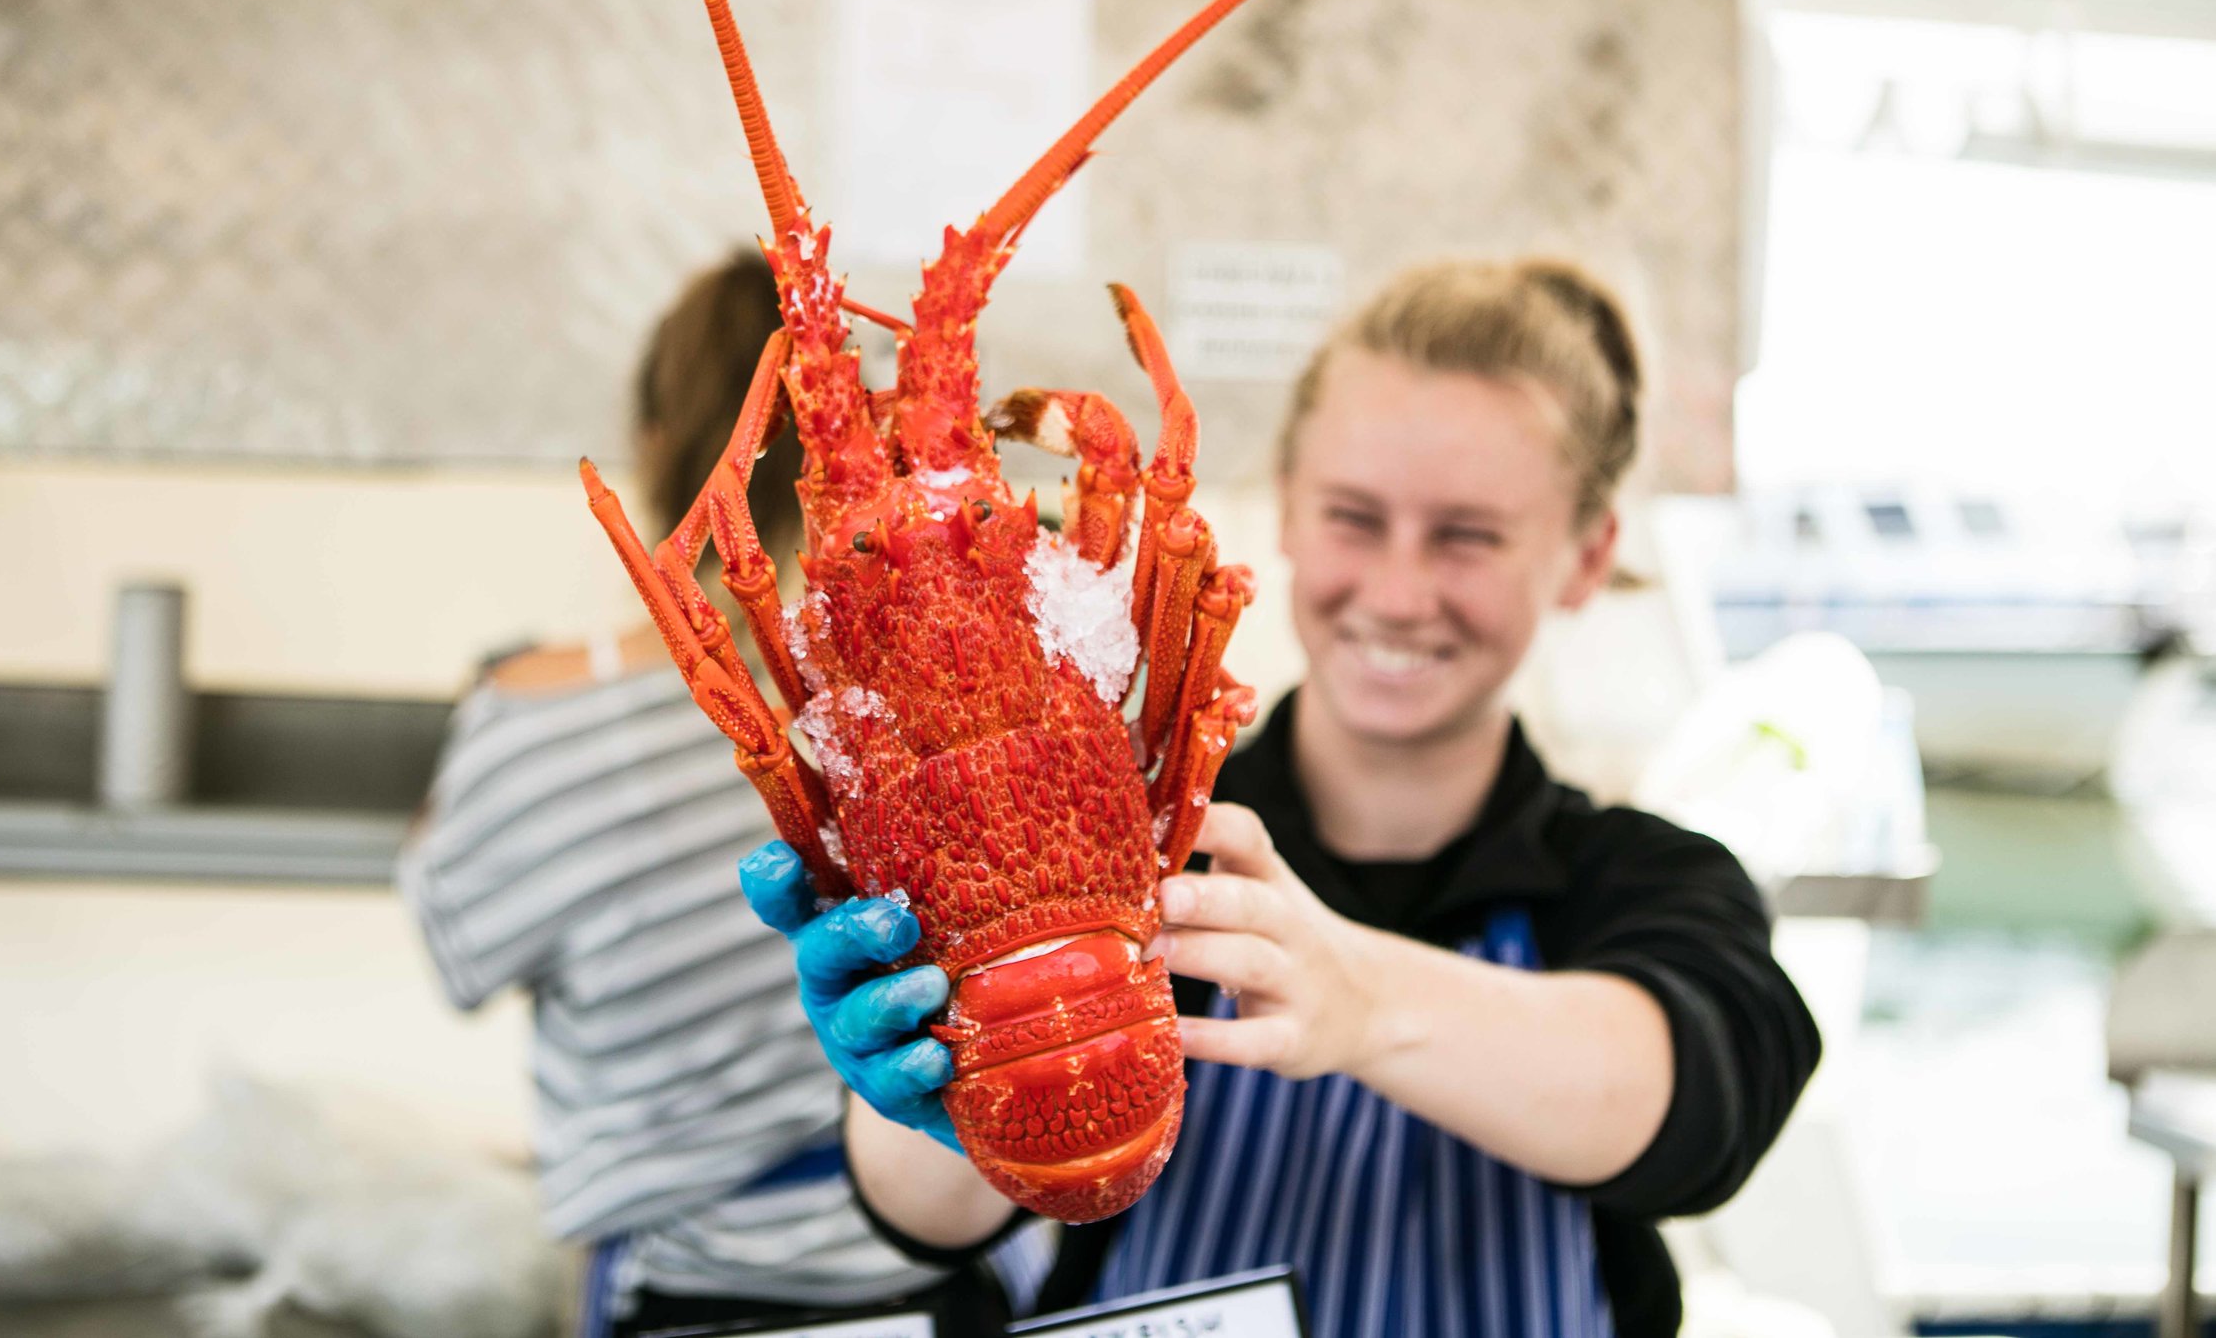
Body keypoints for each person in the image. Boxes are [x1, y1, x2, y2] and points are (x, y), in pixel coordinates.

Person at [740, 258, 1823, 1338]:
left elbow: (1704, 1101)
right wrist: (921, 1076)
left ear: (1587, 557)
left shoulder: (1644, 878)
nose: (1398, 591)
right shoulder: (1142, 823)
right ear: (1290, 513)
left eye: (1468, 535)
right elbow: (931, 1216)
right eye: (1354, 516)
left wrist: (1360, 1000)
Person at [400, 251, 1038, 1338]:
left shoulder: (529, 719)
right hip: (958, 1269)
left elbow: (456, 951)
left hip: (690, 1285)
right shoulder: (953, 685)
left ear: (657, 443)